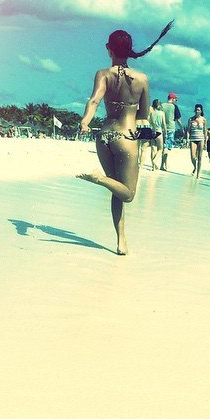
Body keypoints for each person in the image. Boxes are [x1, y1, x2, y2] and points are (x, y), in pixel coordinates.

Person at [78, 21, 173, 255]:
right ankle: (98, 179)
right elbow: (143, 113)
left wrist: (85, 121)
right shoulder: (141, 79)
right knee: (128, 194)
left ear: (108, 49)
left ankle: (121, 240)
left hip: (104, 136)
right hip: (126, 138)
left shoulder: (103, 74)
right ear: (129, 51)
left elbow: (94, 101)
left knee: (117, 189)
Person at [160, 92, 181, 171]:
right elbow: (178, 120)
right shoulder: (174, 107)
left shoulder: (161, 105)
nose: (176, 101)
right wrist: (181, 128)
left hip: (161, 128)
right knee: (167, 147)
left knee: (162, 147)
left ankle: (165, 163)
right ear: (172, 99)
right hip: (170, 129)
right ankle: (162, 165)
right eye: (176, 99)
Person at [142, 98, 165, 170]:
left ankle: (153, 167)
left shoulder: (151, 113)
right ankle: (155, 161)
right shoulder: (162, 113)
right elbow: (164, 124)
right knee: (160, 149)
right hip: (159, 131)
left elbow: (149, 121)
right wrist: (166, 132)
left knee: (153, 148)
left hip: (152, 131)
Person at [186, 103, 207, 178]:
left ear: (201, 111)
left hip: (201, 139)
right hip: (193, 139)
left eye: (198, 110)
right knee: (193, 156)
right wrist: (187, 139)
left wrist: (205, 142)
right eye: (196, 110)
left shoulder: (204, 120)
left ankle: (198, 174)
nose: (197, 111)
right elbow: (188, 131)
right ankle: (195, 167)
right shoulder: (191, 119)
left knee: (200, 157)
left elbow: (205, 131)